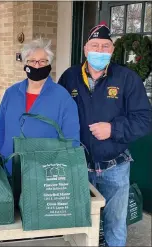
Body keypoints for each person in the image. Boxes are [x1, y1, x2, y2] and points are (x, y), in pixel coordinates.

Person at [58, 23, 152, 247]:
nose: (99, 51)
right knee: (79, 221)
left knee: (115, 223)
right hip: (78, 166)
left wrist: (113, 129)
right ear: (85, 49)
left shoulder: (127, 79)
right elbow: (57, 114)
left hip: (115, 166)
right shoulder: (69, 77)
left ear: (111, 50)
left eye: (105, 46)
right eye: (95, 45)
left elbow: (145, 120)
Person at [0, 38, 80, 176]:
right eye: (32, 61)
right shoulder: (11, 93)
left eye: (42, 61)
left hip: (44, 174)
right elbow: (0, 128)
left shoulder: (62, 97)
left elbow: (71, 140)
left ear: (49, 64)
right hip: (8, 168)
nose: (37, 65)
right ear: (25, 64)